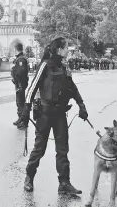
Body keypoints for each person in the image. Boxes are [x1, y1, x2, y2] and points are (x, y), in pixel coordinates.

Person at [20, 37, 88, 194]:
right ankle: (29, 178)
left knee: (63, 150)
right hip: (45, 114)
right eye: (66, 48)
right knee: (39, 149)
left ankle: (64, 183)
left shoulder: (64, 66)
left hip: (60, 115)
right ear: (59, 50)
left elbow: (72, 87)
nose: (68, 50)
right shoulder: (45, 65)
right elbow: (32, 88)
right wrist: (26, 109)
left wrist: (81, 104)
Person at [11, 43, 29, 129]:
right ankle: (21, 119)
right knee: (20, 102)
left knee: (20, 103)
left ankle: (23, 121)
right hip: (19, 84)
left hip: (20, 84)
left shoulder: (21, 59)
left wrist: (19, 84)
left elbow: (21, 72)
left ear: (16, 49)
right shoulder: (20, 58)